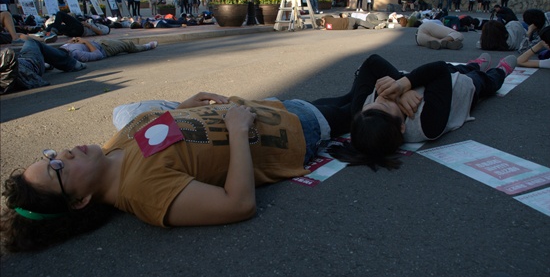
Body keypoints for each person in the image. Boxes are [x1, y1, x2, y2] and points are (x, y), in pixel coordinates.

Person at [1, 50, 398, 251]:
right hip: (298, 134)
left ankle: (415, 86)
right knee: (371, 76)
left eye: (49, 154)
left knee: (366, 85)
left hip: (275, 109)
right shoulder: (143, 192)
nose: (62, 155)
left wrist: (185, 107)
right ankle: (430, 85)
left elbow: (163, 137)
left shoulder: (109, 151)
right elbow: (237, 204)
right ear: (80, 201)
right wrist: (238, 131)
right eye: (56, 169)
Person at [327, 53, 517, 170]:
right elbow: (439, 70)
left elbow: (371, 62)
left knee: (459, 67)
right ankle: (500, 71)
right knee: (483, 81)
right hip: (459, 89)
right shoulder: (427, 124)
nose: (383, 97)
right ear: (401, 127)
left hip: (423, 80)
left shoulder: (361, 111)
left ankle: (473, 64)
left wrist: (402, 90)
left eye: (374, 101)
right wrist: (403, 85)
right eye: (386, 105)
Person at [0, 38, 86, 94]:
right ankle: (71, 63)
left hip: (21, 66)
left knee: (26, 50)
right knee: (31, 42)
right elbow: (7, 55)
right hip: (28, 65)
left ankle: (46, 65)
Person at [60, 37, 158, 62]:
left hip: (99, 42)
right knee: (128, 44)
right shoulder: (76, 54)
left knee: (122, 42)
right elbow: (98, 55)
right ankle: (148, 46)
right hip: (105, 48)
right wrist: (85, 42)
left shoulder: (63, 47)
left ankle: (145, 46)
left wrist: (71, 41)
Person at [44, 12, 110, 38]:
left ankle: (48, 32)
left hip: (82, 29)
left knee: (60, 14)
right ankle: (47, 34)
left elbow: (100, 32)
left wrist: (88, 25)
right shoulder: (97, 23)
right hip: (75, 31)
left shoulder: (106, 28)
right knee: (56, 26)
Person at [318, 13, 384, 30]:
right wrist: (324, 18)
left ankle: (369, 27)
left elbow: (325, 27)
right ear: (322, 19)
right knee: (359, 22)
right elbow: (331, 16)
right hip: (348, 20)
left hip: (348, 28)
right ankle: (373, 27)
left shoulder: (326, 28)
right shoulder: (326, 18)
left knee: (358, 27)